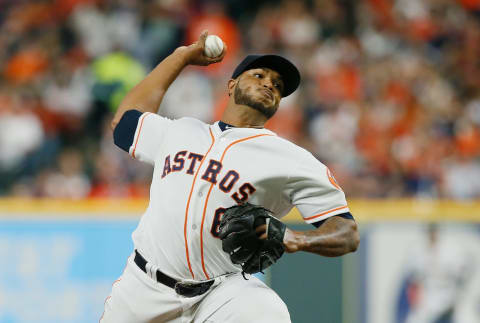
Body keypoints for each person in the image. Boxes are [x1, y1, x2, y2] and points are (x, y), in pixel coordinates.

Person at [100, 31, 360, 323]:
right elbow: (124, 121)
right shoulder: (181, 131)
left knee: (268, 312)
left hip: (221, 292)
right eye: (259, 75)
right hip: (142, 288)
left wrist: (296, 238)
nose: (269, 85)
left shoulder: (291, 159)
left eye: (278, 85)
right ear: (232, 84)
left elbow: (347, 233)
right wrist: (181, 57)